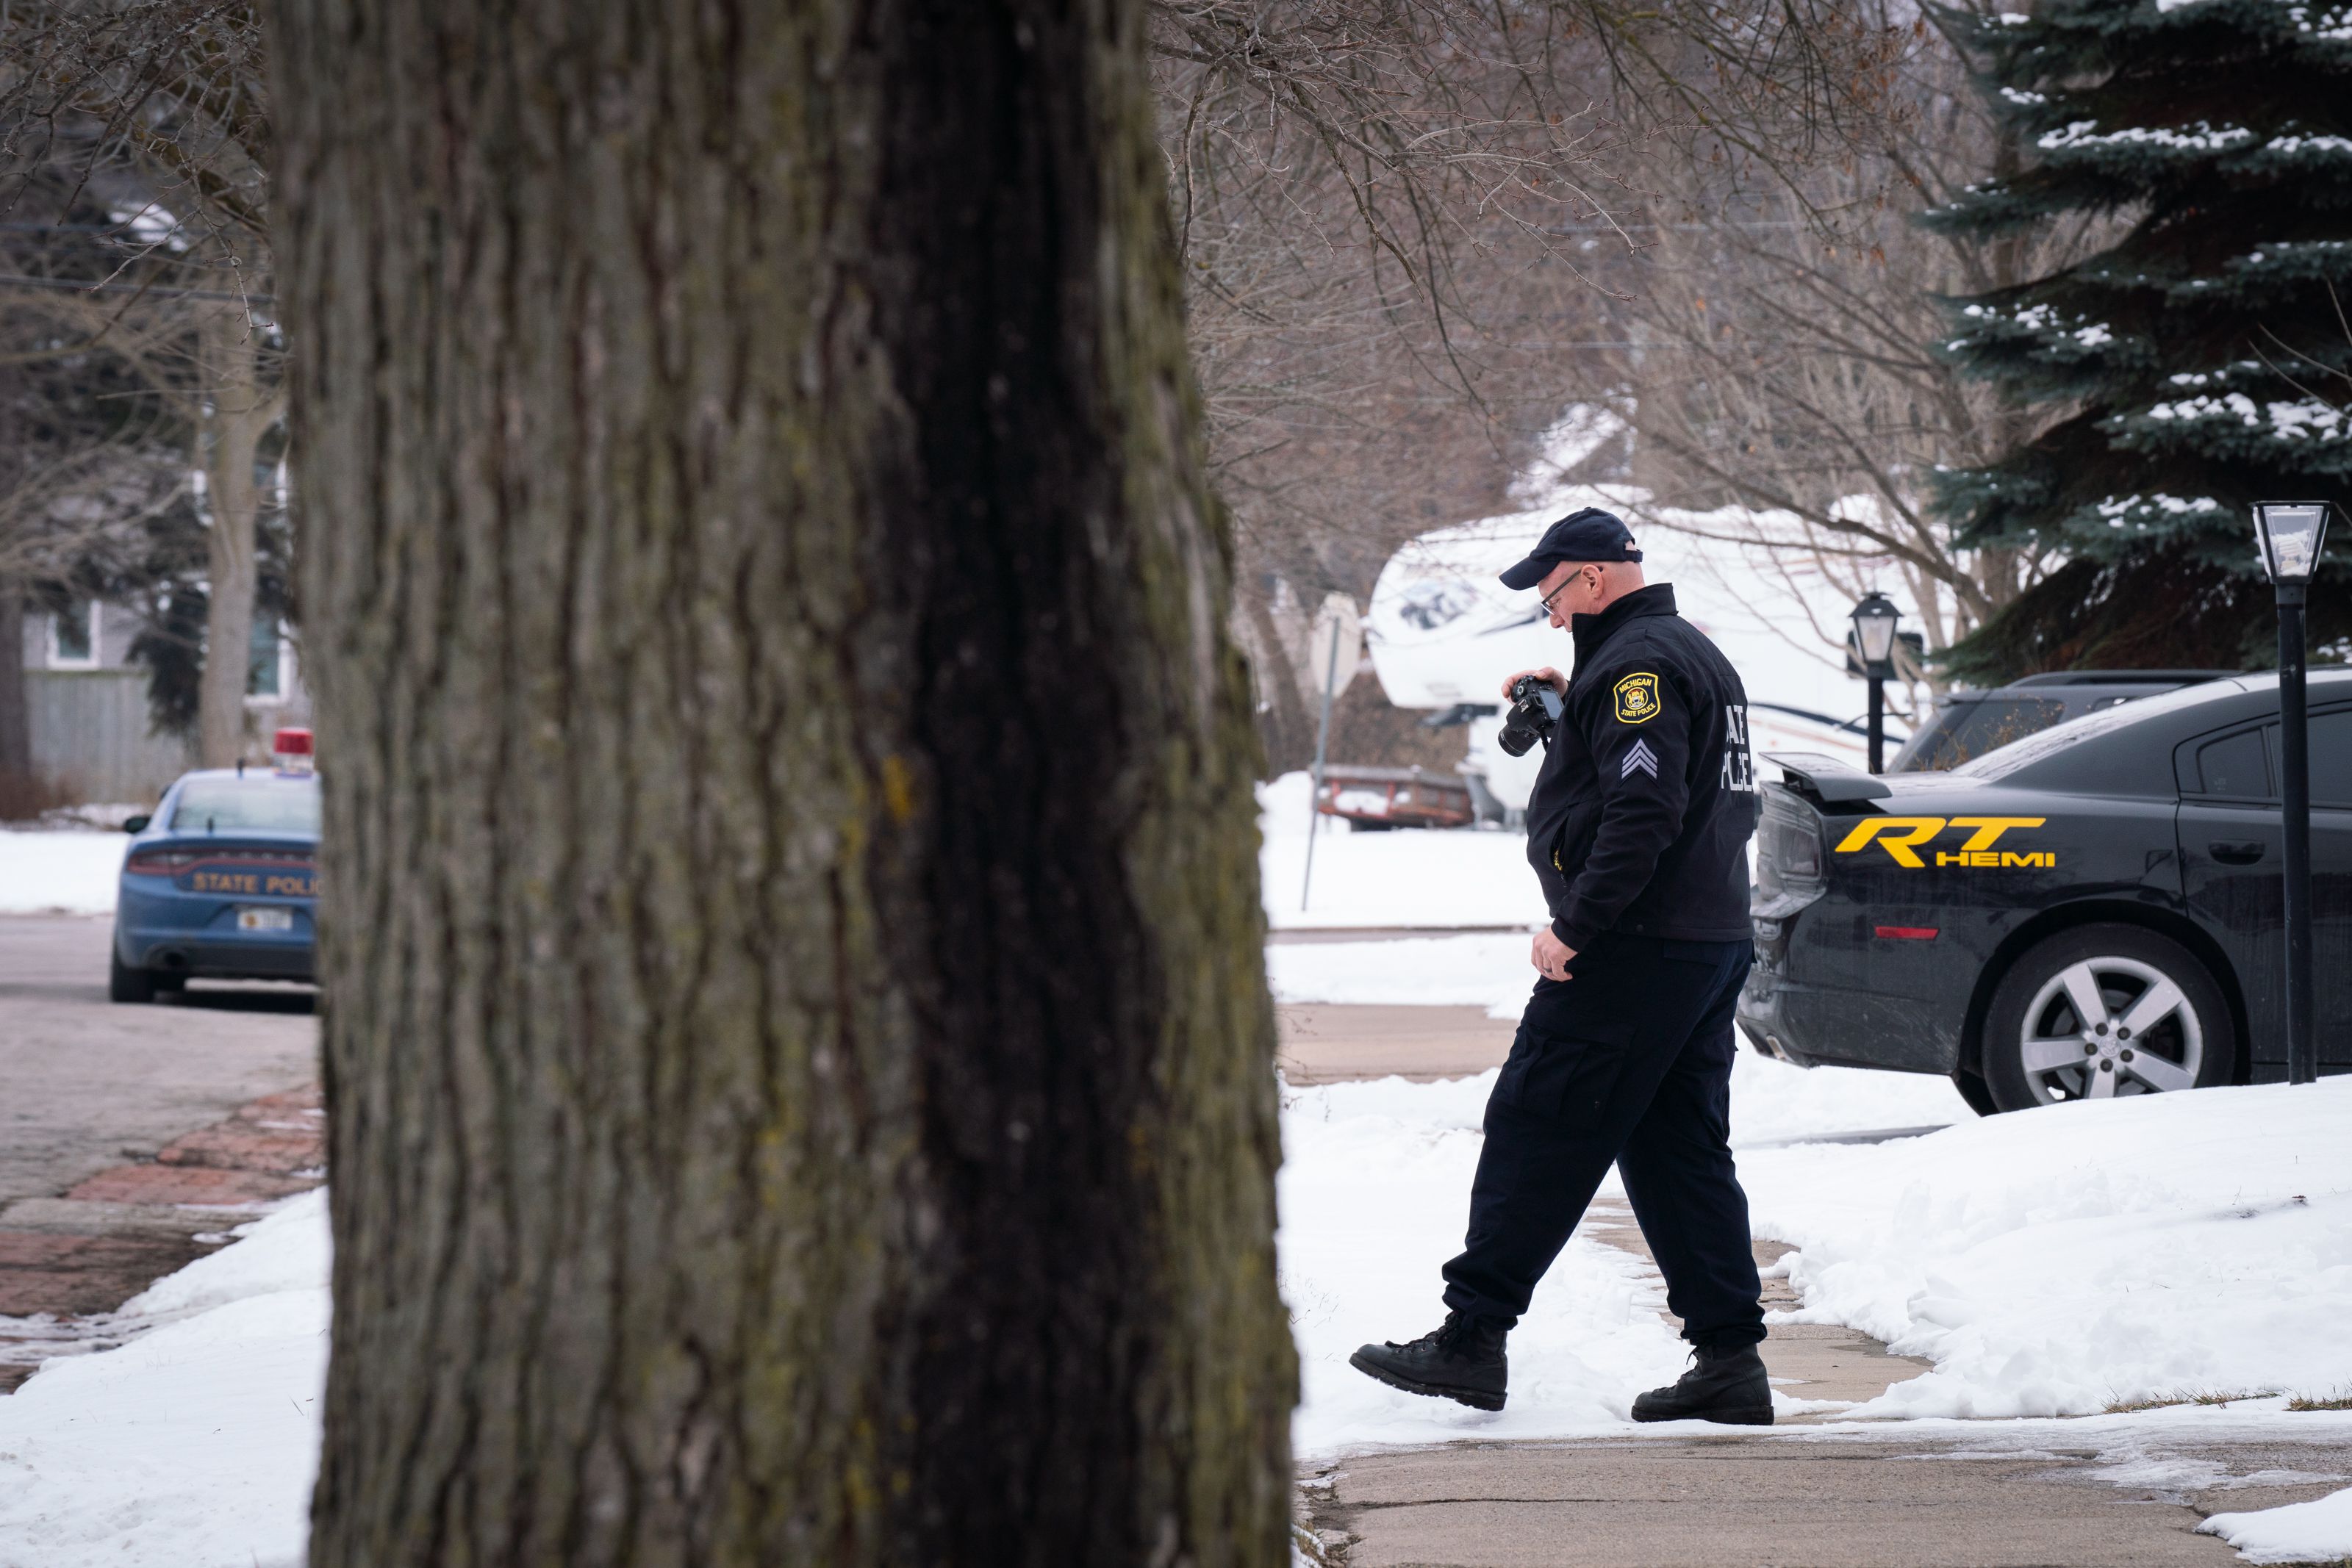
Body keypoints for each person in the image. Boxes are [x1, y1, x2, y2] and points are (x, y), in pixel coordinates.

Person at [1349, 506, 1771, 1423]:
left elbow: (1643, 814)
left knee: (1537, 1121)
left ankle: (1471, 1339)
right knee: (1675, 1147)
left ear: (1589, 578)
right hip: (1703, 940)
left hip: (1634, 948)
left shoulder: (1638, 666)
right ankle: (1729, 1358)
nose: (1548, 616)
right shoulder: (1682, 654)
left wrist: (1574, 927)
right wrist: (1565, 708)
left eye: (1549, 596)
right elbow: (1664, 781)